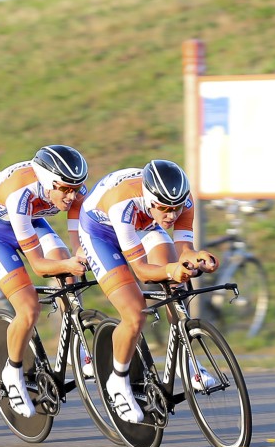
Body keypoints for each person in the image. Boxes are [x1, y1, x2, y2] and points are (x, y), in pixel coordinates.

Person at [78, 160, 219, 424]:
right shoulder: (124, 204)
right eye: (165, 208)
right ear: (151, 199)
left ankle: (183, 360)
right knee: (134, 314)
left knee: (178, 282)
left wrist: (197, 258)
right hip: (101, 232)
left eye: (175, 208)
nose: (171, 215)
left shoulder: (181, 202)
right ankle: (117, 382)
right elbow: (142, 271)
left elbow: (183, 252)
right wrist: (170, 270)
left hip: (144, 225)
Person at [0, 145, 90, 418]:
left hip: (32, 220)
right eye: (65, 189)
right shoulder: (20, 195)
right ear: (48, 183)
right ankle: (12, 372)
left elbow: (77, 239)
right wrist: (66, 264)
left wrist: (78, 256)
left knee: (68, 267)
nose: (72, 196)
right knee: (28, 308)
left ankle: (75, 343)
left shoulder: (74, 191)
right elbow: (39, 265)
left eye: (76, 188)